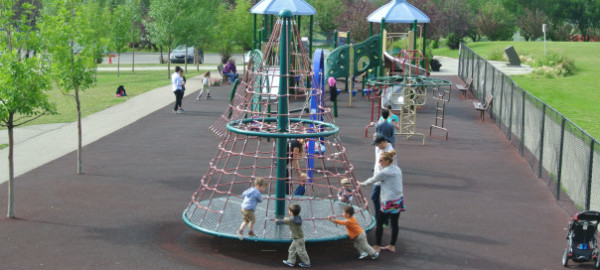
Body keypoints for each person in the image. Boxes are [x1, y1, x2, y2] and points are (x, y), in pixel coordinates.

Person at [359, 150, 404, 253]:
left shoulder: (385, 172)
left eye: (381, 160)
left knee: (379, 222)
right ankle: (392, 245)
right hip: (398, 199)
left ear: (388, 161)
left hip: (389, 200)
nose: (379, 163)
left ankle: (377, 245)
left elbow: (373, 180)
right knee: (394, 222)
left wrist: (361, 184)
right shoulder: (397, 169)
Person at [371, 134, 396, 228]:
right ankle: (382, 218)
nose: (376, 146)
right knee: (377, 198)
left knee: (381, 199)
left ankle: (384, 219)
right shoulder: (380, 147)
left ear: (382, 142)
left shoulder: (390, 152)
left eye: (377, 144)